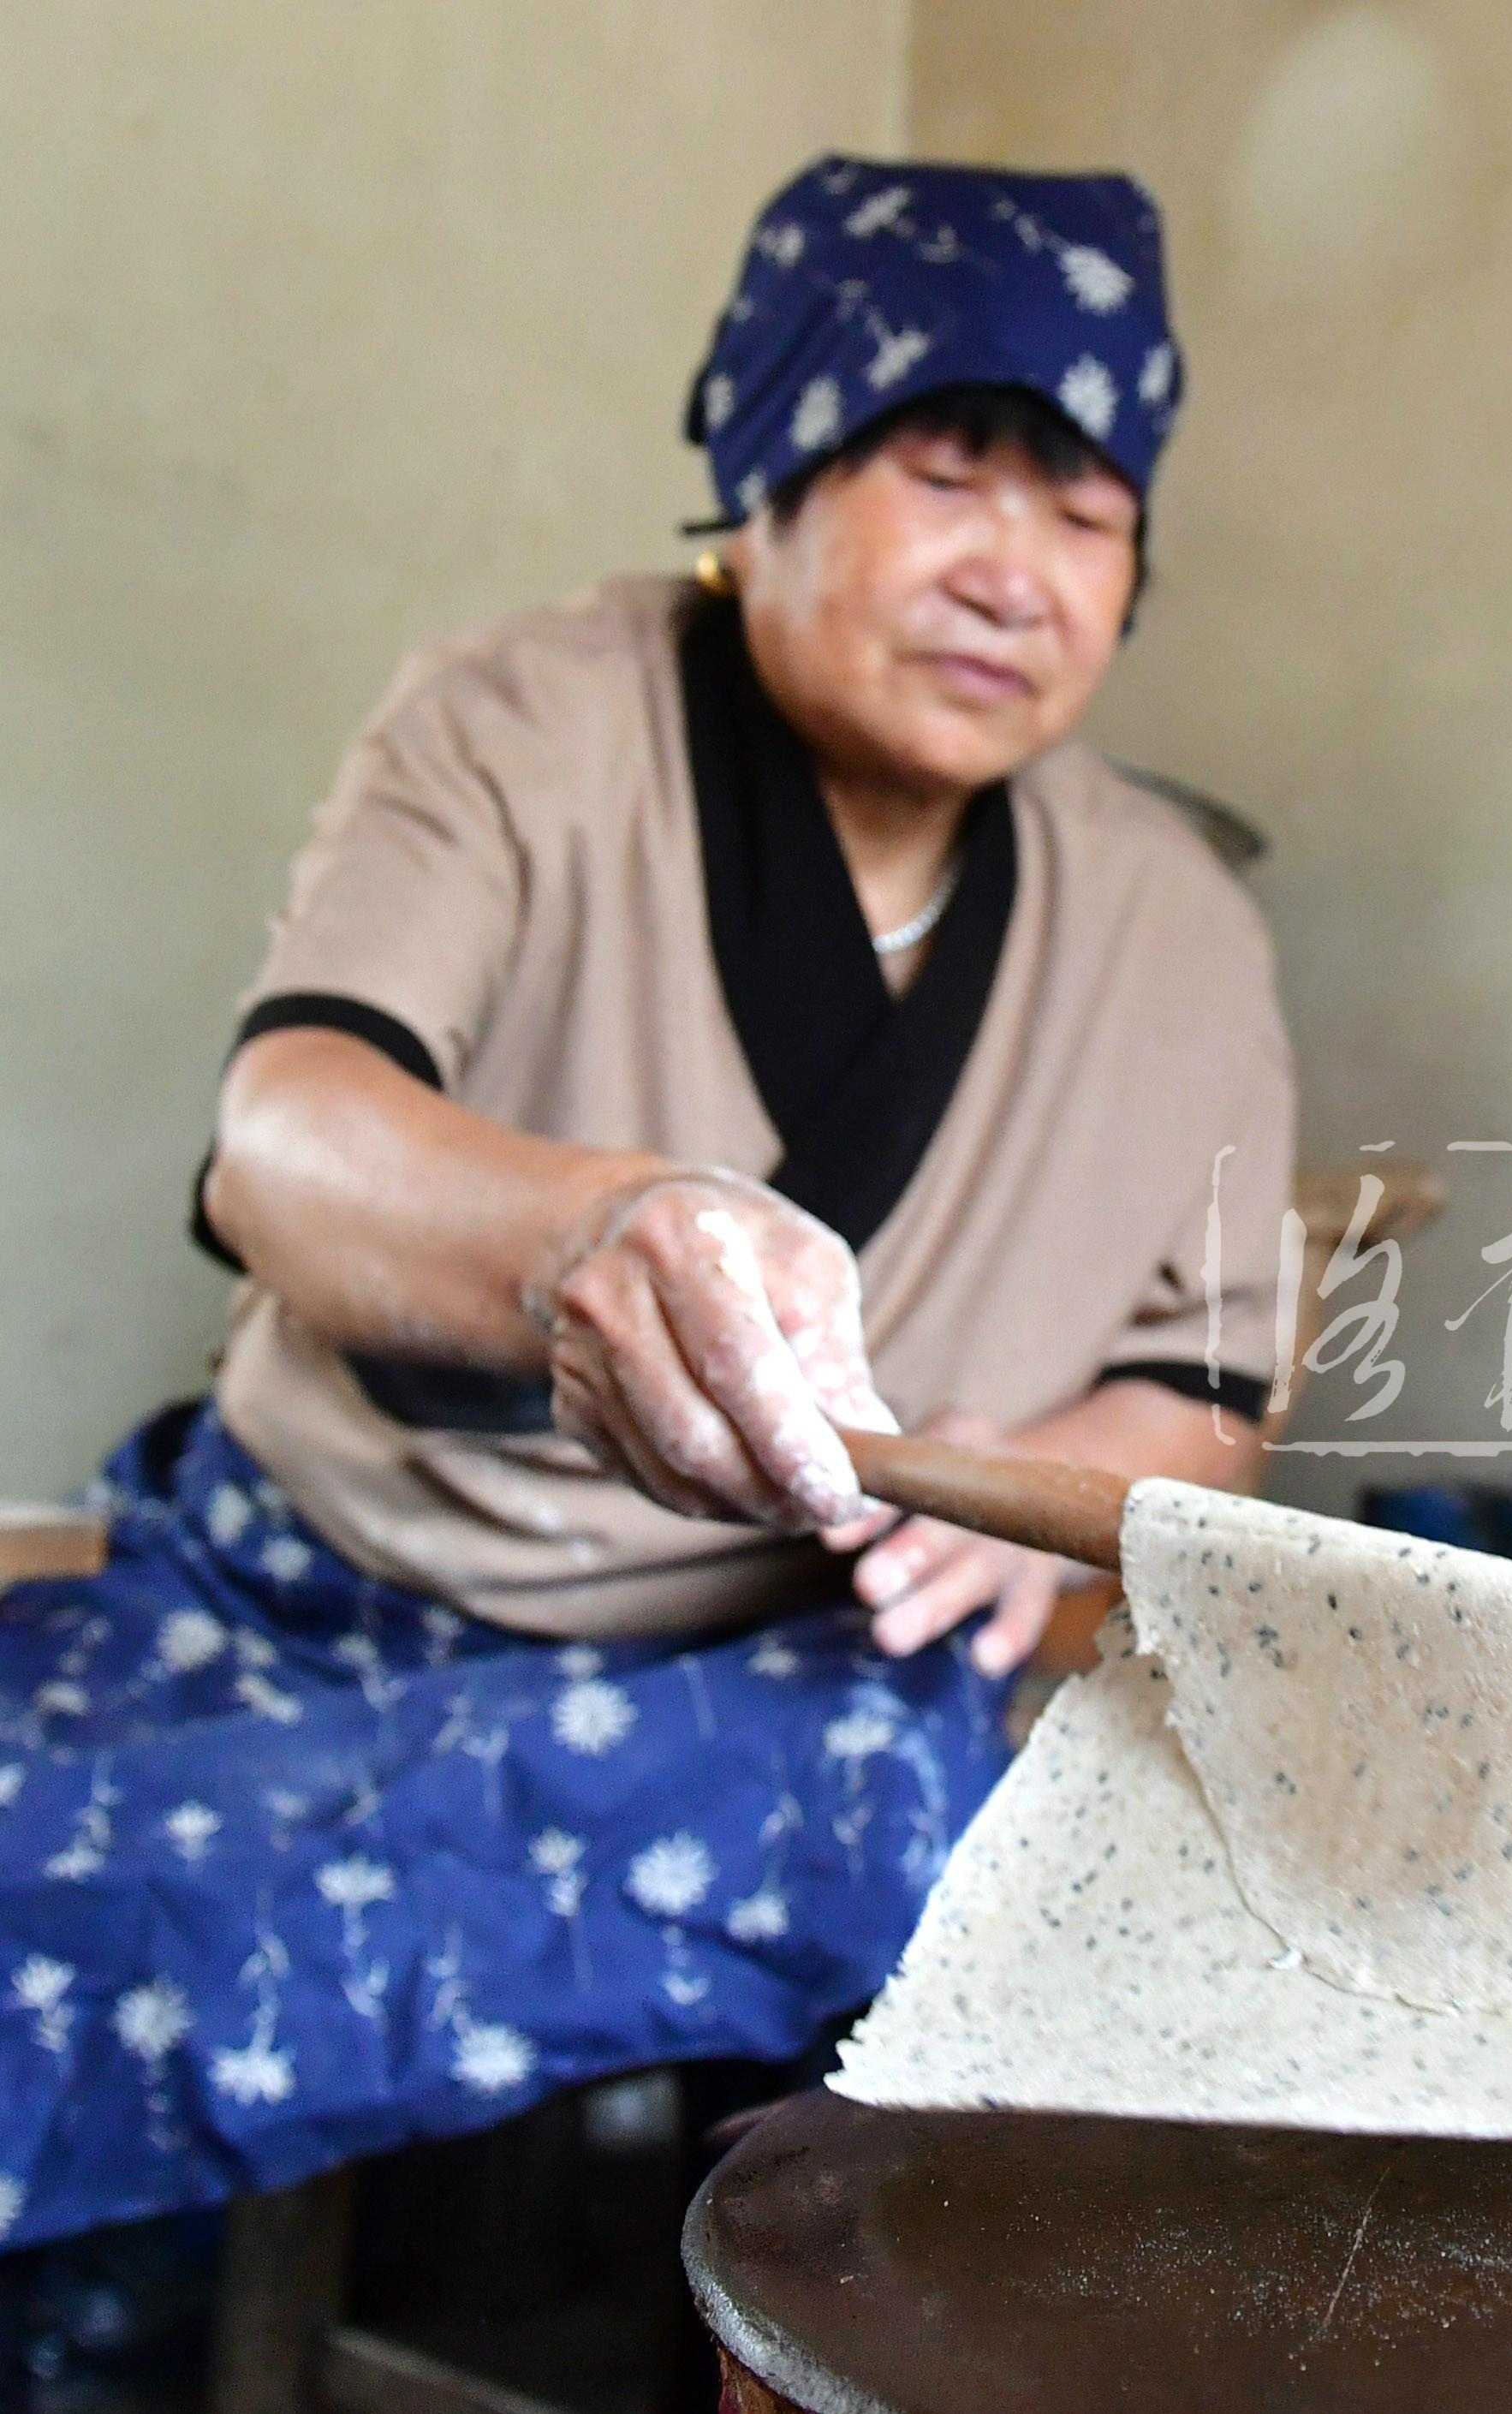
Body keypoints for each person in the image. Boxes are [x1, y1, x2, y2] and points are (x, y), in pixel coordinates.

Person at [0, 158, 1291, 2264]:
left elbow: (1212, 1379)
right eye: (947, 476)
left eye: (1086, 518)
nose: (1016, 574)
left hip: (764, 1702)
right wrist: (579, 1233)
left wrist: (1040, 1483)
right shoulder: (522, 715)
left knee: (925, 1840)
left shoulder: (1176, 923)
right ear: (767, 478)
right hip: (292, 1605)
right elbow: (288, 1132)